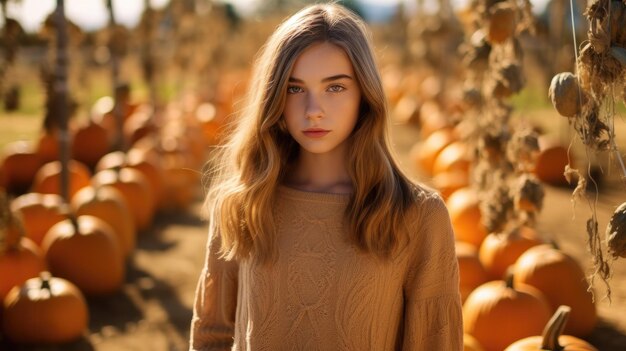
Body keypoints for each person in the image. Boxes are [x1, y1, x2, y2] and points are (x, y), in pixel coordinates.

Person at [189, 3, 462, 350]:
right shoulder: (243, 203)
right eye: (294, 88)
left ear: (365, 94)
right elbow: (211, 336)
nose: (313, 109)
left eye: (335, 88)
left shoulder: (419, 215)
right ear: (273, 98)